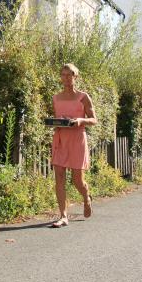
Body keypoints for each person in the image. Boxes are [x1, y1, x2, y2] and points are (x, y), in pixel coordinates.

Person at [50, 63, 97, 228]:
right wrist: (55, 123)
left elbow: (94, 120)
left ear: (75, 77)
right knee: (59, 178)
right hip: (61, 139)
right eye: (63, 75)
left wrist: (80, 120)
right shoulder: (56, 98)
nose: (66, 78)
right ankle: (63, 216)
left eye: (69, 75)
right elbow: (58, 118)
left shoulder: (83, 97)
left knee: (77, 180)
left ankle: (86, 197)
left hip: (77, 139)